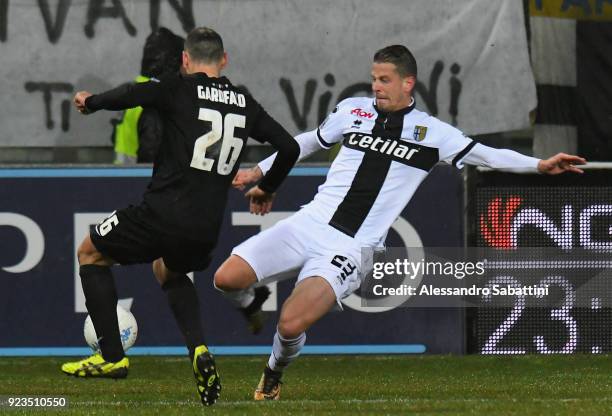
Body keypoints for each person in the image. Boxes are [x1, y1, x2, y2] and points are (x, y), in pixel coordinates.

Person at [213, 45, 587, 401]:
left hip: (350, 247)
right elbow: (310, 140)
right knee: (225, 279)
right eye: (374, 78)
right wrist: (259, 170)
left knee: (291, 324)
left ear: (408, 83)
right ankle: (252, 301)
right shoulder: (353, 110)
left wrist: (537, 164)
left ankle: (274, 371)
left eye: (385, 79)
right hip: (308, 222)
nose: (376, 86)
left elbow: (485, 155)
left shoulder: (432, 133)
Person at [61, 27, 300, 407]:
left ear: (185, 60)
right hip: (205, 228)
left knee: (89, 252)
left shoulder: (177, 87)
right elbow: (288, 147)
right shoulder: (243, 102)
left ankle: (111, 358)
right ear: (224, 60)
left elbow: (131, 94)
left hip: (161, 213)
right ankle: (198, 348)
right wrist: (268, 187)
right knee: (168, 270)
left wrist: (92, 102)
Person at [112, 27, 184, 164]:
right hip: (137, 179)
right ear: (171, 62)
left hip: (121, 175)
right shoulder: (154, 98)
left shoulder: (130, 90)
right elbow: (151, 153)